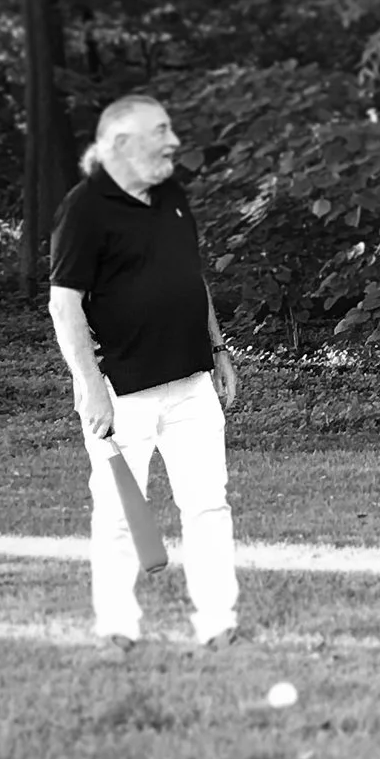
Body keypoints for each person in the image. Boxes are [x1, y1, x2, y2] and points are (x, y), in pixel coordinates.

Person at [48, 93, 240, 650]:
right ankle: (117, 628)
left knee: (207, 503)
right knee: (116, 516)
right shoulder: (84, 210)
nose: (173, 140)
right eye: (161, 130)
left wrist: (218, 347)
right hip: (122, 393)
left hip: (192, 385)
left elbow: (190, 275)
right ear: (121, 144)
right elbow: (65, 306)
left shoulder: (172, 195)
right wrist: (90, 390)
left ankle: (218, 622)